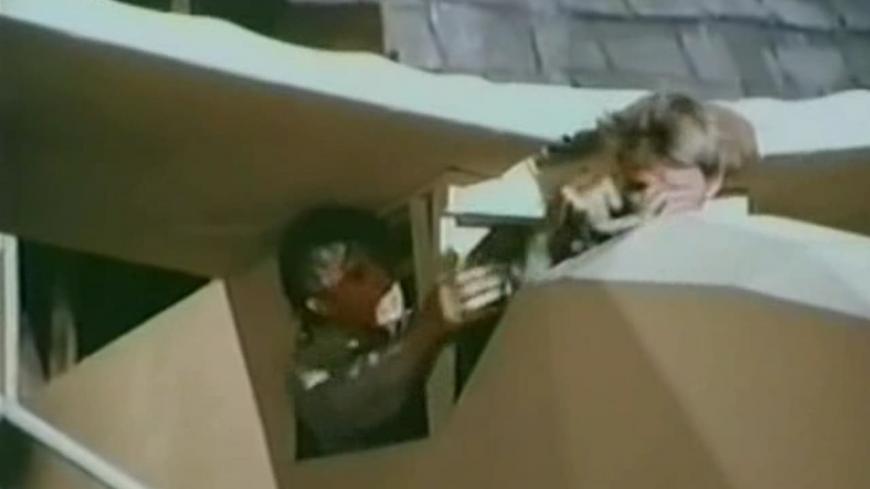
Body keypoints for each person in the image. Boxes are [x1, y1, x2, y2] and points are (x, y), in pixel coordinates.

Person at [278, 205, 510, 458]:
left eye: (380, 263)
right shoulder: (311, 377)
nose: (385, 278)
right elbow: (355, 397)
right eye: (358, 275)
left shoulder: (396, 325)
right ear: (322, 305)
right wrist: (429, 327)